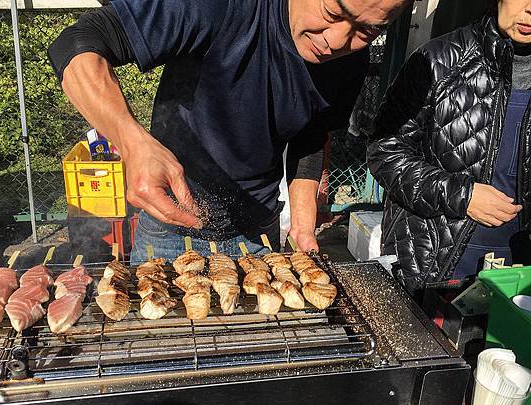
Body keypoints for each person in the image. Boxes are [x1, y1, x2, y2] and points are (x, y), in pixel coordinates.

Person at [49, 0, 406, 262]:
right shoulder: (217, 6)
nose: (337, 40)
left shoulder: (350, 62)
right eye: (333, 12)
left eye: (367, 29)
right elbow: (78, 43)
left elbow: (312, 135)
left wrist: (301, 224)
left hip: (259, 233)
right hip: (169, 230)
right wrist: (132, 142)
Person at [368, 0, 531, 295]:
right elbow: (385, 152)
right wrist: (462, 194)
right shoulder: (439, 61)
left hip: (521, 270)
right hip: (435, 262)